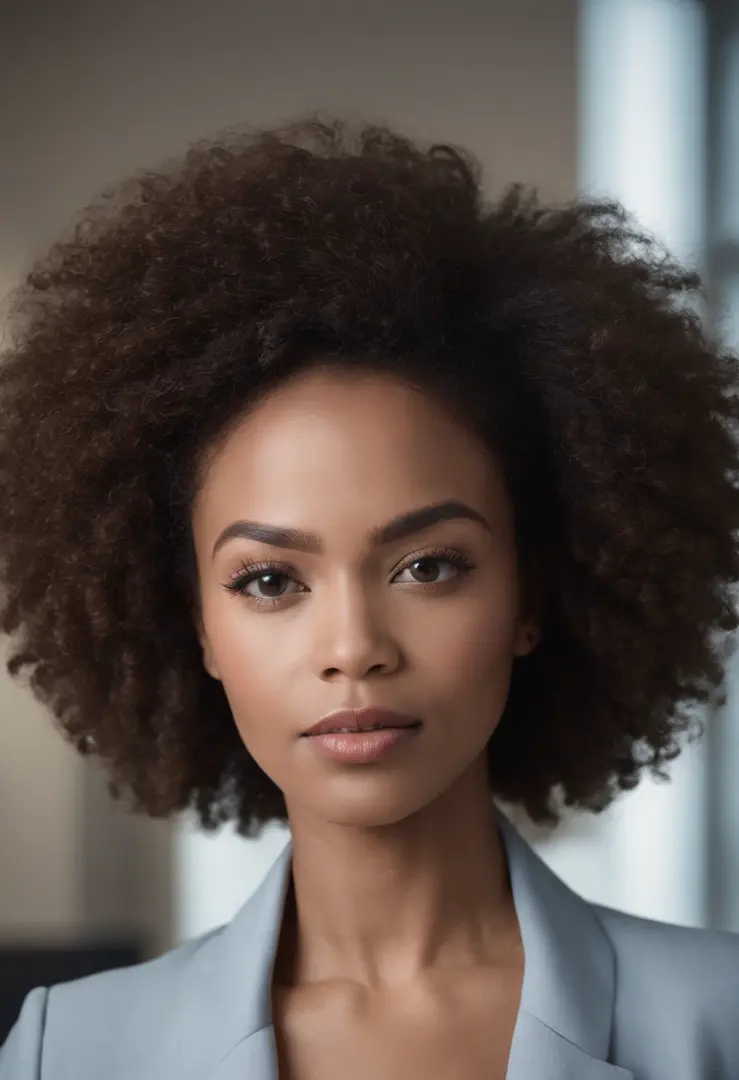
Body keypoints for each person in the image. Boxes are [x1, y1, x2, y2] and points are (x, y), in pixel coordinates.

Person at [1, 115, 738, 1080]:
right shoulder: (72, 1052)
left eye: (428, 566)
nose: (354, 646)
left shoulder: (718, 1021)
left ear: (532, 595)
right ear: (198, 630)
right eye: (270, 581)